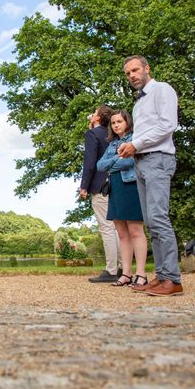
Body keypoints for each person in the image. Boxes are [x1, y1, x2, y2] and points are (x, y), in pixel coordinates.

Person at [118, 55, 183, 297]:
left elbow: (167, 125)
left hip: (158, 159)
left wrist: (136, 144)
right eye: (128, 73)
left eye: (135, 70)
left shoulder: (162, 90)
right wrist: (131, 148)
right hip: (141, 162)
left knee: (159, 218)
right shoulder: (137, 103)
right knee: (151, 221)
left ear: (147, 68)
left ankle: (173, 279)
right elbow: (143, 134)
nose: (132, 75)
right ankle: (163, 275)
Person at [97, 110, 148, 287]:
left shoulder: (135, 140)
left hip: (131, 185)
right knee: (122, 233)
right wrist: (118, 158)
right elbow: (100, 165)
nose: (116, 125)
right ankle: (126, 273)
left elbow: (130, 162)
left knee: (135, 230)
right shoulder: (112, 144)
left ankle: (141, 274)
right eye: (113, 123)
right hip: (115, 187)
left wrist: (115, 161)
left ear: (127, 122)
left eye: (119, 121)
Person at [80, 105, 121, 283]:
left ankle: (111, 270)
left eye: (94, 113)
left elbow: (90, 162)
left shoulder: (92, 135)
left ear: (97, 118)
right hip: (115, 184)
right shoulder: (111, 135)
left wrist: (84, 186)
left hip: (100, 185)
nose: (92, 115)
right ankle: (121, 267)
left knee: (106, 227)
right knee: (117, 228)